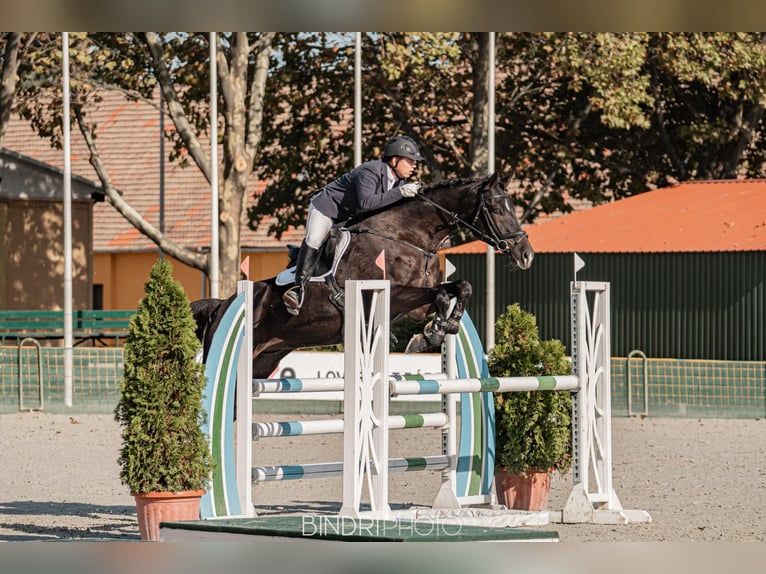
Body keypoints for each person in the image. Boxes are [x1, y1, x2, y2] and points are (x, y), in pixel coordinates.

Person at [282, 135, 424, 315]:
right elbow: (367, 203)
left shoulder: (398, 182)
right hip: (327, 208)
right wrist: (400, 193)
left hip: (349, 217)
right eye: (410, 161)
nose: (414, 166)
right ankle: (297, 289)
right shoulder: (370, 171)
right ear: (395, 160)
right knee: (316, 237)